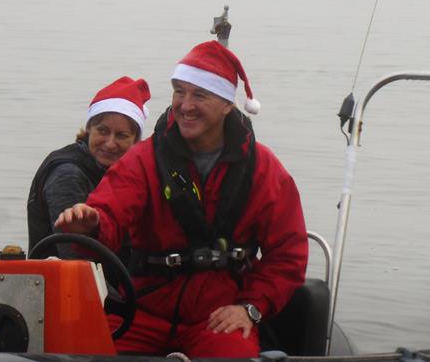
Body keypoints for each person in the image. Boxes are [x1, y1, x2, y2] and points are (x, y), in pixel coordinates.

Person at [55, 41, 308, 358]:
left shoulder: (264, 169)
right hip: (140, 313)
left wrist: (250, 308)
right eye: (179, 91)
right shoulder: (144, 160)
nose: (185, 105)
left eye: (199, 95)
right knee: (87, 353)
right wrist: (90, 225)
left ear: (228, 104)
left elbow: (288, 256)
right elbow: (109, 210)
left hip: (217, 321)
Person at [27, 76, 150, 258]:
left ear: (135, 142)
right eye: (103, 131)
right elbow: (74, 258)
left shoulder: (127, 175)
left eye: (121, 135)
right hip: (63, 281)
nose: (110, 144)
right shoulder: (67, 175)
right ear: (89, 129)